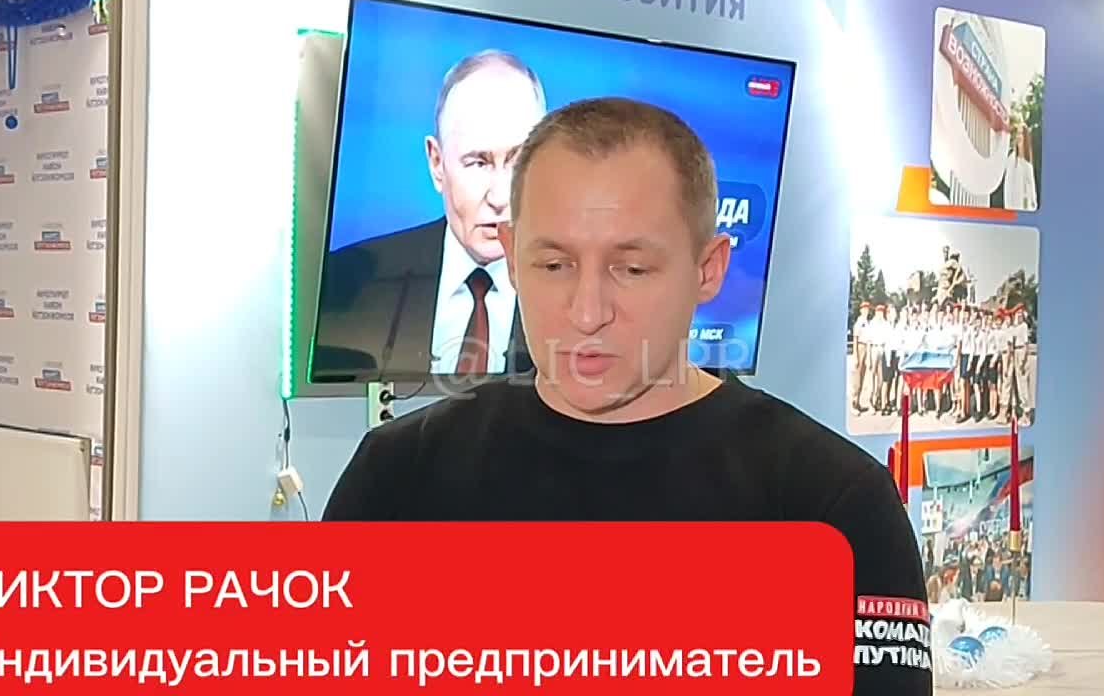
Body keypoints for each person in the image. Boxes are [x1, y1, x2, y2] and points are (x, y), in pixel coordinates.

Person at [325, 97, 932, 694]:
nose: (587, 312)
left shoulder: (831, 506)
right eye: (554, 265)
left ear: (708, 269)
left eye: (632, 269)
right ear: (510, 257)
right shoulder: (398, 476)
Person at [314, 50, 547, 379]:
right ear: (437, 163)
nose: (499, 197)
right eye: (478, 162)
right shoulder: (350, 283)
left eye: (518, 162)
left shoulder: (579, 295)